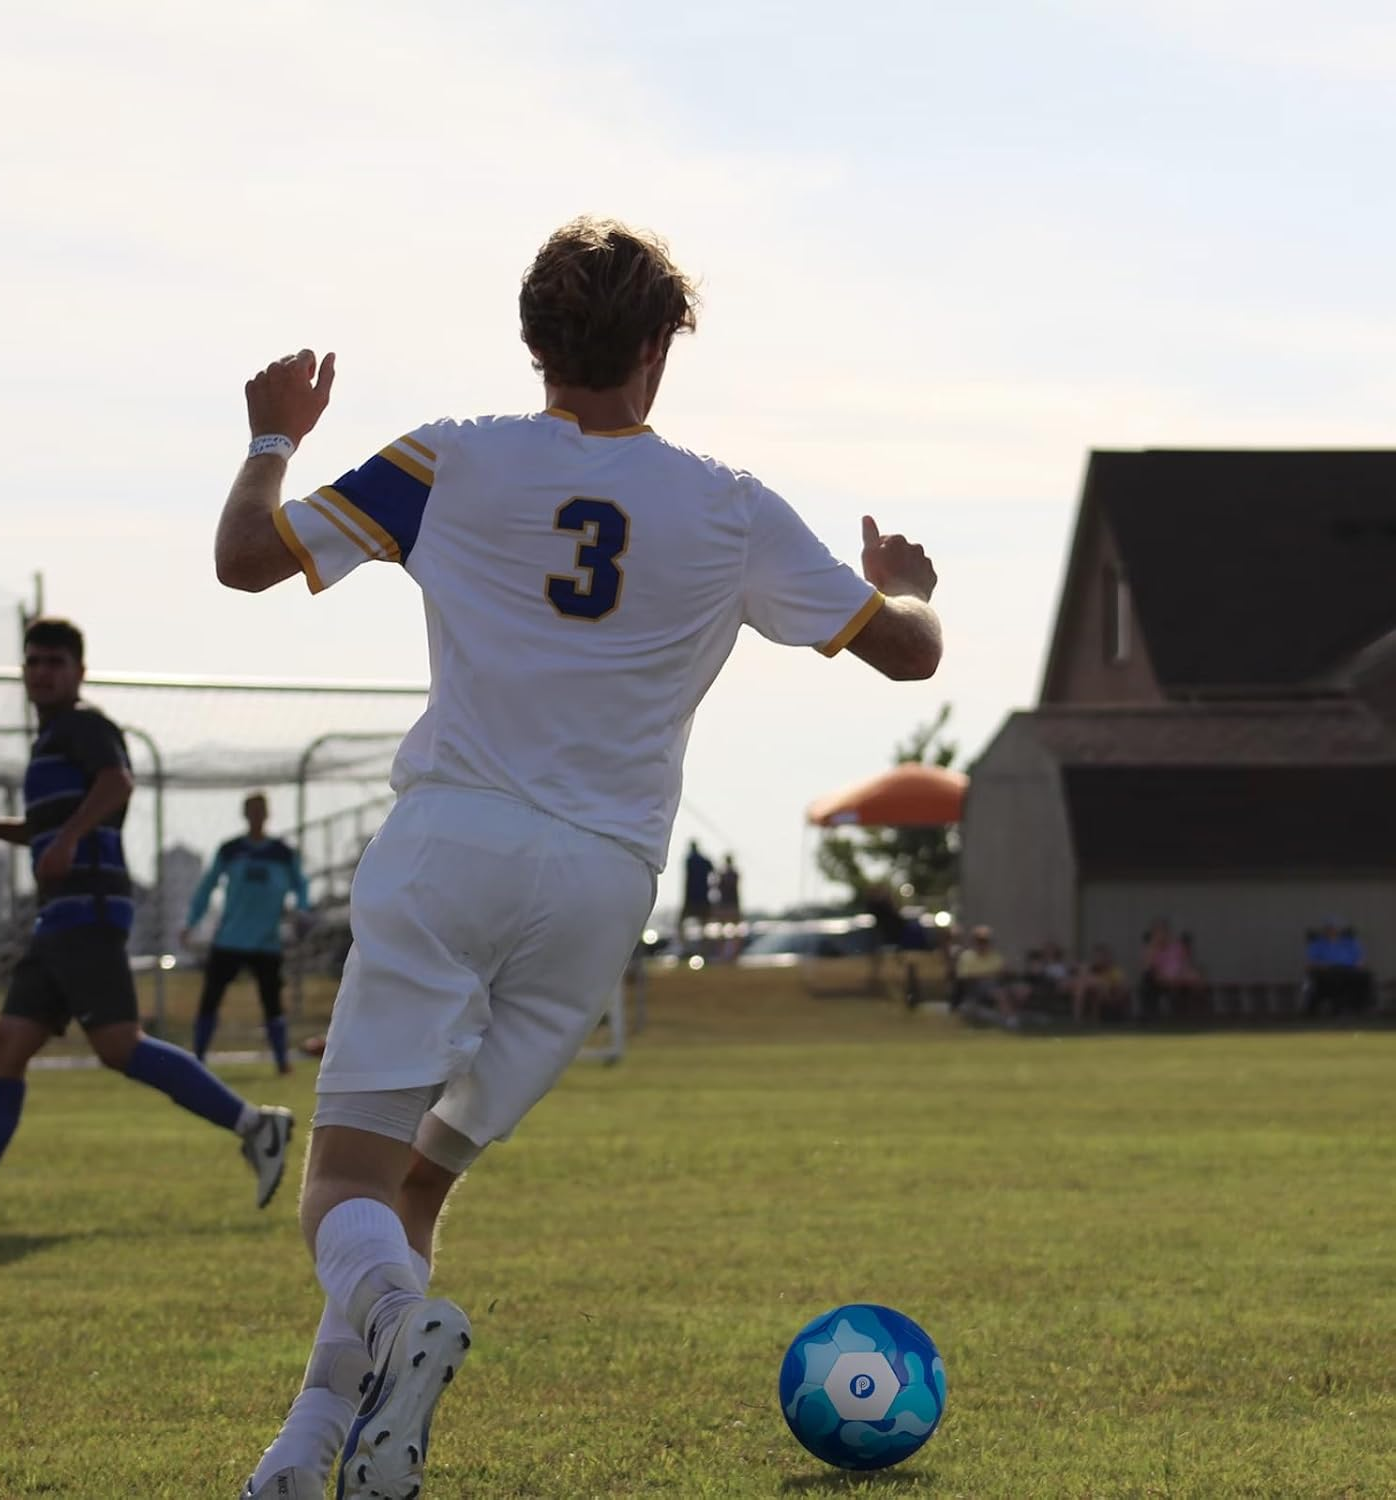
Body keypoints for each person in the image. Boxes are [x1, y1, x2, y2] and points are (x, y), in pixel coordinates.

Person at [214, 215, 942, 1500]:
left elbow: (243, 563)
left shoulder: (448, 457)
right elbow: (909, 653)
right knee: (418, 1184)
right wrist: (903, 582)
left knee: (343, 1185)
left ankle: (390, 1332)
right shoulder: (731, 505)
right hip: (603, 883)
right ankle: (310, 1451)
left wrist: (274, 438)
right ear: (660, 347)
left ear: (533, 341)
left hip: (453, 846)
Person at [0, 618, 292, 1232]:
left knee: (118, 1045)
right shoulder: (51, 741)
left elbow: (116, 784)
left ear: (80, 672)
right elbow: (54, 823)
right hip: (58, 917)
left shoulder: (84, 726)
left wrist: (69, 840)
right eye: (34, 661)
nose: (42, 672)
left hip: (88, 910)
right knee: (5, 1046)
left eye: (55, 662)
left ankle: (256, 1125)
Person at [184, 791, 312, 1074]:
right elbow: (207, 886)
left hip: (266, 943)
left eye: (260, 810)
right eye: (251, 810)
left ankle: (281, 1062)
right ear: (244, 814)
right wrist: (191, 922)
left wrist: (303, 910)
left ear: (267, 814)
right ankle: (198, 1058)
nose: (256, 816)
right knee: (210, 999)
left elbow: (301, 885)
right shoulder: (230, 850)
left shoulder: (282, 853)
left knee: (272, 1003)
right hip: (229, 939)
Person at [679, 839, 713, 941]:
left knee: (681, 922)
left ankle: (684, 941)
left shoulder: (690, 860)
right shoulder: (703, 860)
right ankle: (704, 941)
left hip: (692, 896)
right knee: (704, 922)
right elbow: (712, 869)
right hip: (702, 895)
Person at [715, 854, 742, 959]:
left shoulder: (729, 874)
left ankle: (731, 952)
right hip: (728, 904)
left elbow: (720, 886)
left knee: (733, 930)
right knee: (724, 930)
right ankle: (725, 952)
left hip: (729, 904)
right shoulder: (732, 874)